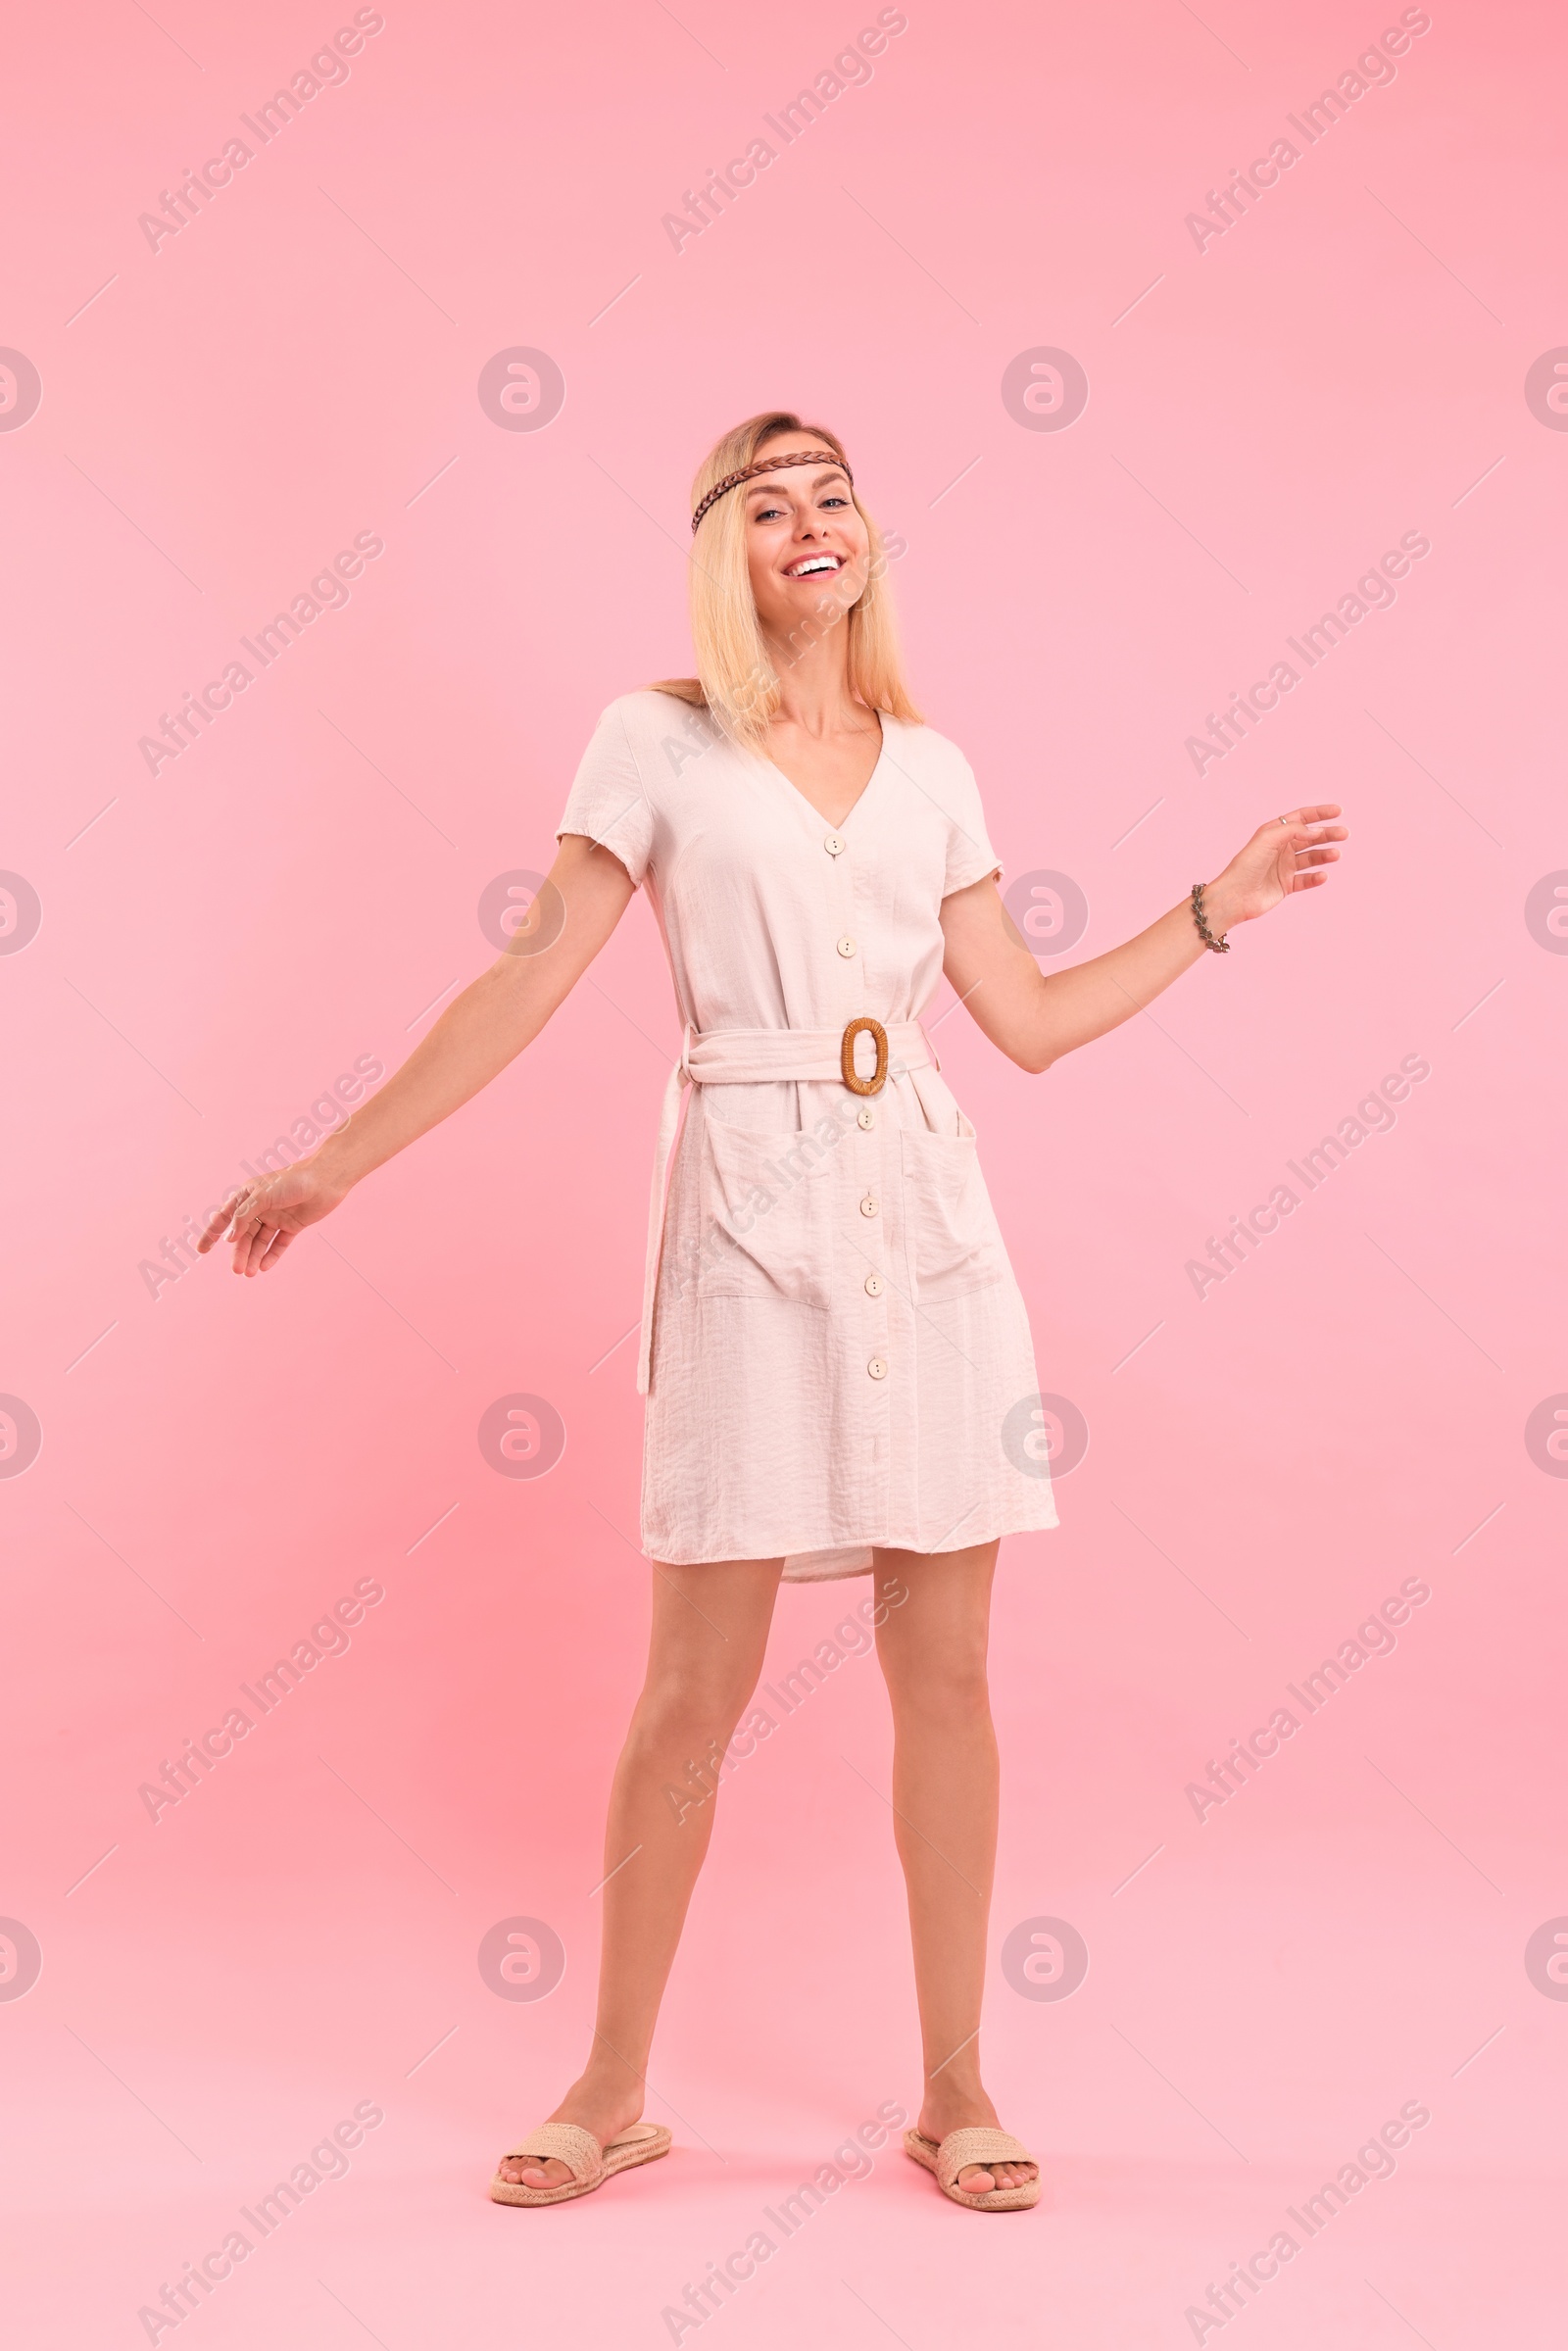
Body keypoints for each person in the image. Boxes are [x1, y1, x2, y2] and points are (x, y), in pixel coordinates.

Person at [200, 410, 1347, 2214]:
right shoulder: (655, 738)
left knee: (949, 1672)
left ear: (869, 538)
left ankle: (956, 2084)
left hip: (926, 1211)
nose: (809, 519)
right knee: (687, 1694)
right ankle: (612, 2083)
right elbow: (530, 970)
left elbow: (1028, 1022)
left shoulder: (932, 764)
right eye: (766, 501)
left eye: (833, 493)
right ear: (720, 551)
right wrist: (337, 1163)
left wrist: (1218, 905)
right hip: (746, 1208)